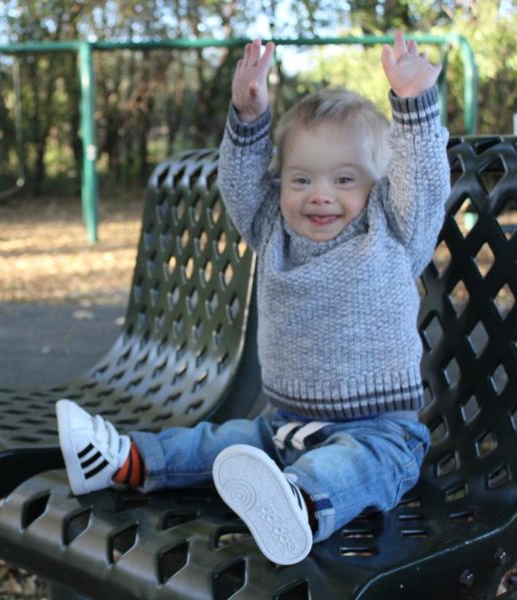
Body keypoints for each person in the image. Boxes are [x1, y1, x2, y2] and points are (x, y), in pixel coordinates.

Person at [55, 31, 450, 565]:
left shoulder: (394, 230)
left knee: (353, 466)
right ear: (280, 182)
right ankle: (124, 460)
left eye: (344, 178)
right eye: (301, 178)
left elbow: (422, 183)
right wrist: (247, 116)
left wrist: (413, 106)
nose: (320, 194)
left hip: (379, 432)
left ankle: (298, 504)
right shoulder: (272, 230)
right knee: (216, 444)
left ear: (377, 186)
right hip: (282, 426)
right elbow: (240, 184)